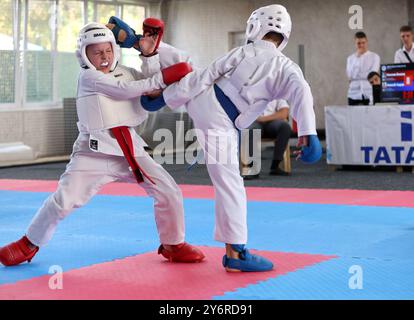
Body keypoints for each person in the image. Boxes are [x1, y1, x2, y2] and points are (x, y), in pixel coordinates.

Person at [0, 22, 205, 267]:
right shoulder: (89, 77)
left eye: (108, 51)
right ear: (84, 55)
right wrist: (165, 76)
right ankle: (28, 244)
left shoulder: (127, 72)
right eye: (96, 52)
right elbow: (128, 89)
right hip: (93, 151)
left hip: (129, 148)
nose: (104, 57)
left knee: (168, 190)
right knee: (63, 200)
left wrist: (150, 55)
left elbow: (151, 88)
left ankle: (173, 244)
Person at [136, 5, 322, 272]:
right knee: (230, 182)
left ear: (255, 27)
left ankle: (150, 50)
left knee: (188, 66)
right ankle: (236, 253)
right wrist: (308, 134)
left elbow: (207, 74)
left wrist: (167, 98)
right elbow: (302, 93)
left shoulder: (245, 50)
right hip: (220, 121)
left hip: (205, 99)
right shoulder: (287, 68)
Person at [241, 100, 292, 179]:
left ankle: (276, 166)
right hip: (253, 122)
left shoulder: (277, 92)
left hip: (272, 122)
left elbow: (283, 113)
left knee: (285, 127)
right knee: (252, 130)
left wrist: (263, 119)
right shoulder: (250, 92)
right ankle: (253, 169)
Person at [346, 32, 380, 105]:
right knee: (353, 116)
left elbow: (372, 76)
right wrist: (357, 59)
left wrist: (357, 77)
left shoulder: (375, 57)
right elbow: (350, 76)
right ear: (355, 43)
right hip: (353, 94)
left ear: (367, 42)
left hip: (369, 94)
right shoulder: (350, 59)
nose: (361, 45)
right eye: (358, 43)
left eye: (363, 43)